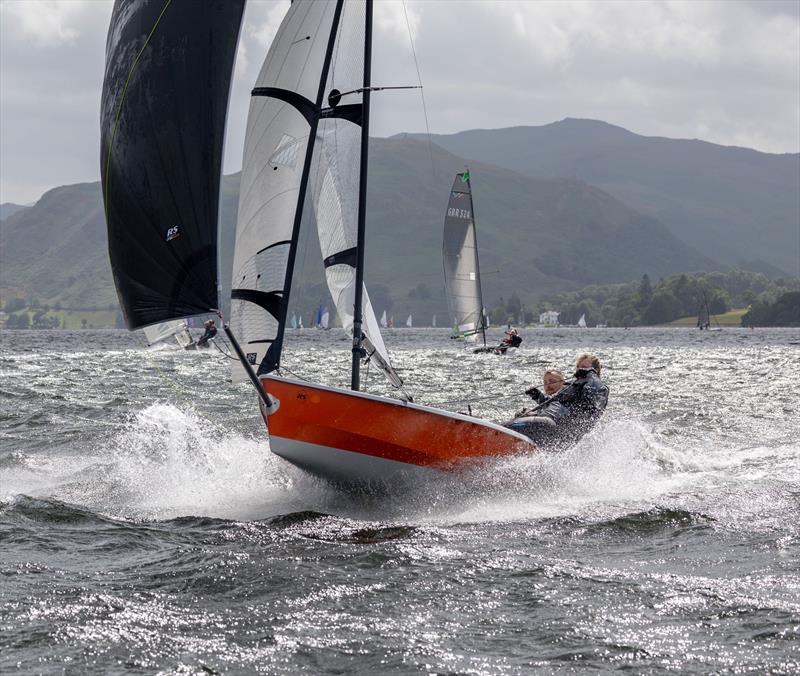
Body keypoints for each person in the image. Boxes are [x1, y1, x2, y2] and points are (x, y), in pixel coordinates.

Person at [508, 353, 609, 449]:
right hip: (549, 421)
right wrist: (538, 396)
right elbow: (555, 403)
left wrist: (591, 375)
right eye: (578, 367)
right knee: (518, 417)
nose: (580, 369)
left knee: (510, 427)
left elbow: (591, 405)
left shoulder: (600, 388)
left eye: (584, 366)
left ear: (594, 370)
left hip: (561, 430)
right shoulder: (572, 385)